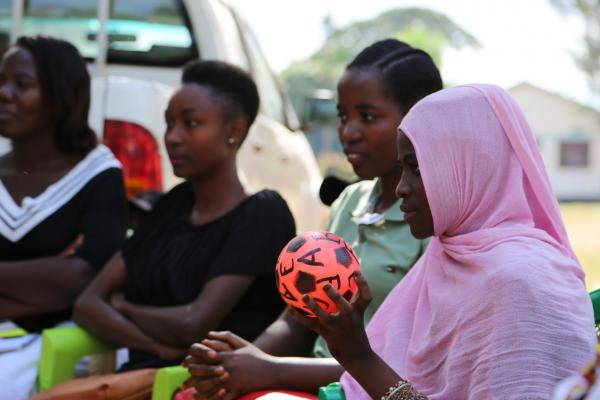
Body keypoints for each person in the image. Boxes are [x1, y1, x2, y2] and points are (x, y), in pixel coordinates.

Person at [291, 84, 597, 399]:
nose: (401, 189)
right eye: (402, 169)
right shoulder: (449, 254)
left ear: (471, 166)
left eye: (418, 168)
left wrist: (360, 356)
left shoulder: (517, 282)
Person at [181, 39, 442, 399]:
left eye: (368, 117)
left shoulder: (433, 222)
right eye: (342, 116)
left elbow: (400, 368)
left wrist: (270, 370)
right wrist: (242, 359)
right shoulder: (349, 203)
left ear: (416, 120)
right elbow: (296, 323)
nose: (348, 133)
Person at [73, 60, 296, 376]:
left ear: (234, 131)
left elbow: (193, 324)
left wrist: (122, 306)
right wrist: (156, 348)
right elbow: (88, 303)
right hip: (143, 377)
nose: (173, 137)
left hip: (208, 387)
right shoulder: (173, 205)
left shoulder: (262, 213)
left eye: (190, 124)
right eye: (168, 123)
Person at [0, 35, 127, 399]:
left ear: (60, 96)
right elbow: (64, 280)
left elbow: (86, 279)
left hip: (51, 342)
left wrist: (68, 281)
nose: (4, 93)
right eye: (2, 81)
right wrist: (48, 276)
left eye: (21, 84)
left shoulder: (98, 174)